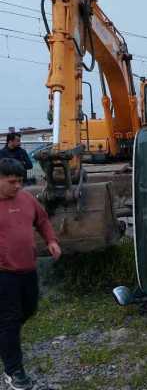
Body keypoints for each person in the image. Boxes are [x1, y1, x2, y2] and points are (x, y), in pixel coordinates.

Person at [0, 158, 61, 389]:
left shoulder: (25, 199)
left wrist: (51, 241)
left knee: (29, 309)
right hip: (3, 274)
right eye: (12, 182)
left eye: (20, 182)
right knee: (10, 321)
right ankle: (14, 372)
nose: (18, 186)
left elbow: (42, 220)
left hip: (27, 269)